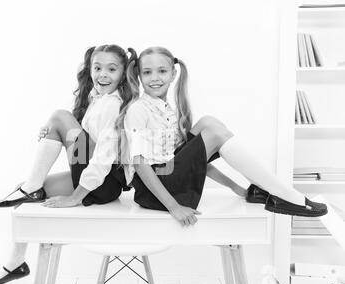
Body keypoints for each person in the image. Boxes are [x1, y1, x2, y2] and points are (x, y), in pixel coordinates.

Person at [117, 46, 327, 227]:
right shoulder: (139, 110)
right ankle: (287, 196)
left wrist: (238, 189)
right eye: (147, 72)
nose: (154, 78)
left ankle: (265, 191)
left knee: (208, 122)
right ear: (139, 76)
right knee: (214, 132)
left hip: (167, 175)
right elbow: (140, 164)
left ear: (173, 74)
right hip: (154, 193)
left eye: (161, 71)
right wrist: (174, 207)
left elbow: (198, 161)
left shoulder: (165, 110)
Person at [0, 44, 133, 284]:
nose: (103, 74)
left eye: (111, 69)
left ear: (123, 73)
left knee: (60, 116)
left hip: (103, 182)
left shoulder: (116, 105)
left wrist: (75, 197)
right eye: (97, 68)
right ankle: (16, 264)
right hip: (93, 179)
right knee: (25, 190)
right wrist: (52, 132)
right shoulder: (96, 99)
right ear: (90, 70)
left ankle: (32, 186)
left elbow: (102, 159)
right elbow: (82, 142)